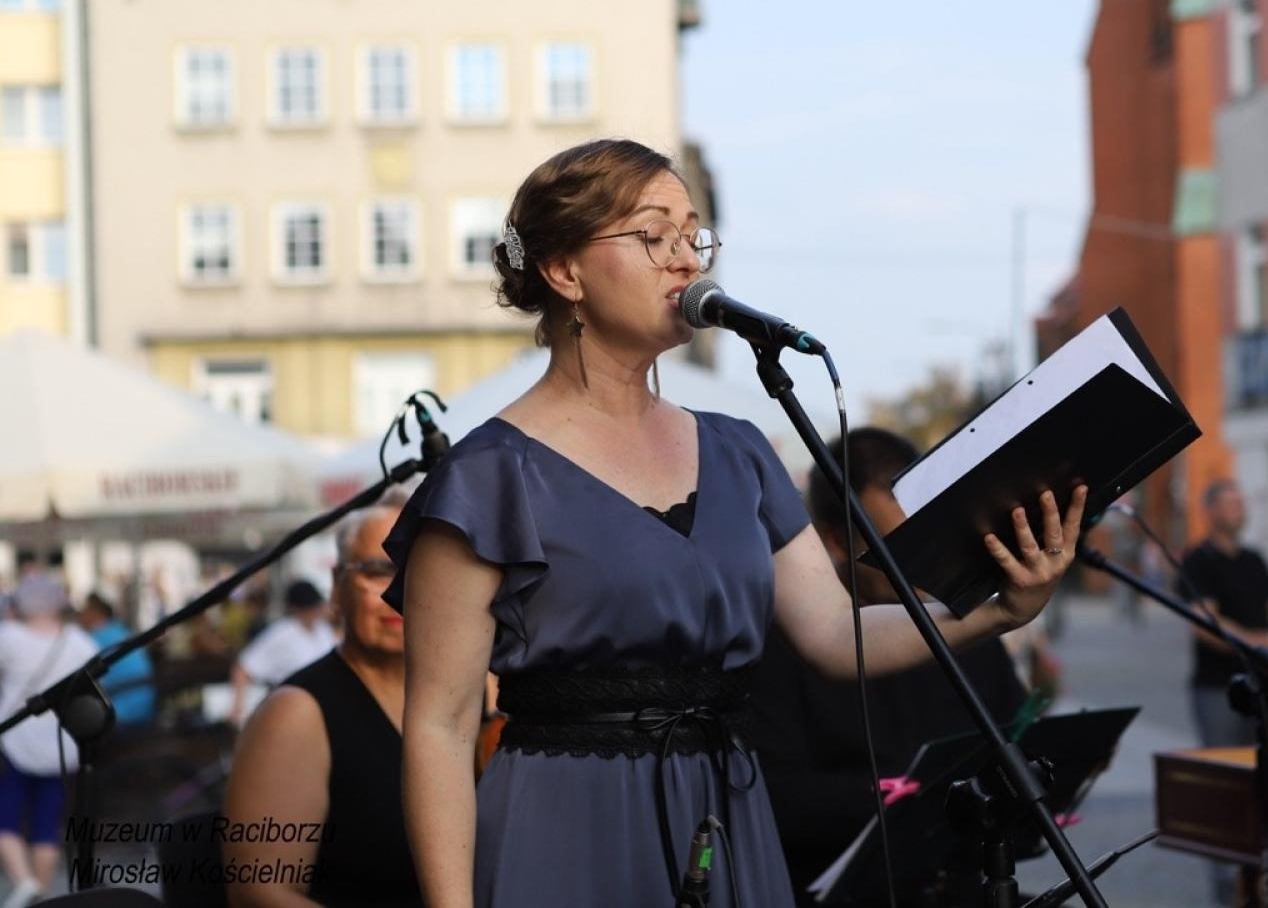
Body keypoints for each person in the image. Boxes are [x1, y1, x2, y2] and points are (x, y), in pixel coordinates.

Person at [382, 138, 1084, 908]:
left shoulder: (739, 450)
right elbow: (441, 728)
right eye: (653, 236)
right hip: (566, 820)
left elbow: (833, 633)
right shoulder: (488, 475)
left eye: (693, 235)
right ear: (564, 270)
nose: (686, 259)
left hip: (722, 811)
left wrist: (993, 610)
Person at [746, 427, 1028, 906]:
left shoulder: (963, 626)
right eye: (899, 542)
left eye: (932, 529)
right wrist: (906, 795)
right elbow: (772, 796)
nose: (925, 559)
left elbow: (1018, 728)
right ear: (836, 541)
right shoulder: (782, 643)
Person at [223, 498, 420, 907]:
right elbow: (259, 892)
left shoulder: (477, 693)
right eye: (378, 570)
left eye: (422, 569)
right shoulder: (295, 714)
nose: (401, 590)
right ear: (336, 586)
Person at [1177, 478, 1268, 905]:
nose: (1240, 510)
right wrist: (1258, 643)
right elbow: (1207, 623)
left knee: (1264, 783)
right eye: (1230, 503)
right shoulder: (1198, 560)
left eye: (1242, 502)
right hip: (1217, 689)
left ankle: (1264, 880)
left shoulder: (1256, 559)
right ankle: (1228, 888)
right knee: (1225, 784)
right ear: (1211, 510)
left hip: (1263, 689)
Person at [0, 576, 99, 908]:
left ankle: (25, 882)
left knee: (6, 817)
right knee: (47, 823)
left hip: (14, 740)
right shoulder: (80, 642)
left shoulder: (9, 638)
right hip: (63, 745)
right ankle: (41, 896)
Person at [228, 580, 334, 727]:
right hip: (290, 711)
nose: (314, 611)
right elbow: (244, 667)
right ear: (296, 609)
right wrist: (238, 705)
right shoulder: (281, 633)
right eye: (309, 607)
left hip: (323, 709)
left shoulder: (323, 631)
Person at [76, 593, 156, 729]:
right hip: (146, 706)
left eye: (84, 611)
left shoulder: (94, 639)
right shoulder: (121, 630)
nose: (80, 617)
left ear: (94, 612)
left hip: (123, 712)